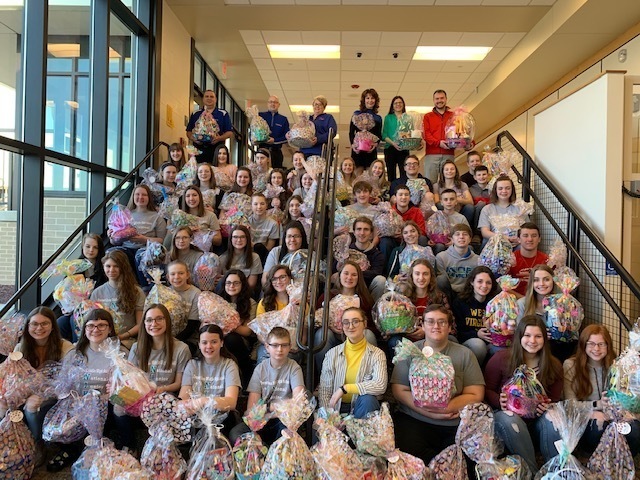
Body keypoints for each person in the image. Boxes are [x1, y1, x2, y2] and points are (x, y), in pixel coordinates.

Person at [391, 304, 485, 464]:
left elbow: (476, 394)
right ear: (423, 325)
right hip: (415, 418)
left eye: (442, 322)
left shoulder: (464, 354)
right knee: (410, 456)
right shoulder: (410, 352)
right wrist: (429, 412)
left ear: (449, 327)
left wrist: (446, 407)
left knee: (461, 460)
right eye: (431, 321)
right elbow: (399, 389)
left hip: (454, 422)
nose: (436, 326)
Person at [49, 309, 129, 470]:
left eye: (101, 325)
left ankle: (117, 445)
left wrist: (106, 396)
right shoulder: (75, 354)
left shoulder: (119, 354)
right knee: (59, 422)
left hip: (107, 405)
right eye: (91, 325)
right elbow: (63, 384)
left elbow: (126, 386)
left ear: (110, 329)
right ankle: (70, 450)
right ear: (84, 330)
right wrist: (74, 400)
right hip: (78, 404)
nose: (96, 329)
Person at [484, 315, 563, 474]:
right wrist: (500, 401)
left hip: (538, 423)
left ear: (544, 339)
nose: (532, 341)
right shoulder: (501, 358)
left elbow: (554, 399)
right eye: (527, 335)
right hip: (508, 419)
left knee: (553, 417)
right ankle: (533, 473)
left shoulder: (554, 365)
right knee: (509, 418)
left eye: (538, 336)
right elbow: (486, 390)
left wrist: (547, 406)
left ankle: (556, 471)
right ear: (519, 336)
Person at [563, 325, 640, 456]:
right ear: (583, 345)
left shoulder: (618, 366)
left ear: (608, 346)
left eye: (601, 344)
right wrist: (595, 407)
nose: (596, 349)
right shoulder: (571, 366)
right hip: (587, 419)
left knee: (634, 431)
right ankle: (596, 461)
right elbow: (569, 404)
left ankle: (624, 462)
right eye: (591, 344)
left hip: (615, 416)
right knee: (599, 428)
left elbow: (627, 395)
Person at [12, 307, 74, 466]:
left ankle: (38, 445)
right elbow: (14, 377)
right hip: (26, 392)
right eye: (34, 324)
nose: (39, 328)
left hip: (56, 394)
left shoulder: (65, 347)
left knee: (31, 407)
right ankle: (12, 445)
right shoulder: (20, 347)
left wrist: (44, 392)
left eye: (44, 323)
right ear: (27, 327)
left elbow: (68, 379)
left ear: (53, 326)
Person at [229, 327, 305, 446]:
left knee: (287, 436)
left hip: (283, 420)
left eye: (284, 345)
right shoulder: (260, 368)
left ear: (290, 347)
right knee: (236, 433)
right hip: (261, 420)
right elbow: (251, 409)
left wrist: (268, 409)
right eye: (275, 345)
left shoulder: (294, 368)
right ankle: (263, 451)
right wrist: (273, 407)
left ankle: (269, 453)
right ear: (267, 347)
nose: (279, 349)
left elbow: (298, 403)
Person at [319, 307, 387, 417]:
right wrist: (329, 417)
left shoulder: (377, 354)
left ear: (364, 323)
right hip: (337, 408)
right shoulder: (332, 354)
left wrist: (345, 388)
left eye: (355, 321)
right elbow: (325, 391)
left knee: (368, 399)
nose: (350, 326)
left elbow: (380, 385)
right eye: (346, 322)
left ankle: (360, 432)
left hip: (361, 407)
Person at [314, 260, 377, 372]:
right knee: (322, 334)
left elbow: (372, 325)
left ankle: (368, 376)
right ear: (339, 275)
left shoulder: (364, 299)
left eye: (354, 275)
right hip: (333, 338)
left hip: (356, 338)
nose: (349, 277)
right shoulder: (328, 295)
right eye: (346, 273)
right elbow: (317, 318)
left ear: (359, 278)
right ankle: (324, 376)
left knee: (369, 335)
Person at [179, 324, 241, 435]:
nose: (209, 346)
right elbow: (183, 398)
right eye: (204, 342)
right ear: (199, 344)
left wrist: (203, 401)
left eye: (214, 342)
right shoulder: (192, 364)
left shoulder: (229, 365)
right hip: (196, 415)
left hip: (223, 416)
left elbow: (231, 402)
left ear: (221, 343)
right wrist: (189, 406)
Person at [387, 259, 449, 353]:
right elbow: (391, 327)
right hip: (407, 340)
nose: (421, 278)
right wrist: (408, 331)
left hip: (432, 340)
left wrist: (426, 332)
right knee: (394, 341)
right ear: (411, 276)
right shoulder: (402, 297)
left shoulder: (440, 297)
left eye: (425, 274)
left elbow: (450, 324)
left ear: (431, 276)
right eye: (417, 273)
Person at [128, 303, 191, 394]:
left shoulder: (182, 349)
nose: (154, 324)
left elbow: (179, 383)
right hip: (141, 398)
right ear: (144, 323)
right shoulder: (136, 348)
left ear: (167, 321)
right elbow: (132, 379)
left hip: (167, 401)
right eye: (149, 320)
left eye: (159, 319)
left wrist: (163, 389)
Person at [57, 233, 107, 342]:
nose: (91, 250)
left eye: (95, 247)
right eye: (88, 246)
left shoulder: (104, 268)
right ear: (82, 247)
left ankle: (78, 349)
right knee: (60, 322)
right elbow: (65, 291)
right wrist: (65, 306)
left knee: (75, 320)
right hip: (75, 308)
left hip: (96, 308)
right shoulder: (74, 268)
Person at [90, 250, 145, 347]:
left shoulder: (137, 292)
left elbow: (140, 324)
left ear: (123, 268)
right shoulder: (97, 293)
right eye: (108, 266)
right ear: (103, 267)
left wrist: (122, 337)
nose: (111, 270)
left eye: (116, 266)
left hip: (128, 341)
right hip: (103, 341)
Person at [255, 265, 304, 364]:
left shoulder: (300, 303)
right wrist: (271, 346)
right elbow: (260, 332)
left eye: (282, 277)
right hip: (269, 346)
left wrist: (295, 346)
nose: (278, 281)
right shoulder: (264, 303)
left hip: (291, 347)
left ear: (290, 278)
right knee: (264, 359)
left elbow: (304, 330)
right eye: (274, 279)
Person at [216, 269, 257, 386]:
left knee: (231, 339)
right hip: (219, 337)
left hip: (240, 340)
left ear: (242, 285)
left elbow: (248, 331)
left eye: (236, 283)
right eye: (228, 283)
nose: (231, 286)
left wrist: (227, 324)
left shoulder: (251, 303)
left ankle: (243, 377)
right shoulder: (217, 302)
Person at [451, 266, 498, 365]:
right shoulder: (460, 302)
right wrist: (476, 334)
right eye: (480, 281)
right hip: (467, 342)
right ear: (472, 282)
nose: (484, 286)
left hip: (489, 342)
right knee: (478, 345)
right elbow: (457, 333)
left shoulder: (495, 303)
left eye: (488, 282)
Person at [343, 217, 386, 302]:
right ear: (354, 232)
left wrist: (355, 272)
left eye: (366, 229)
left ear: (371, 234)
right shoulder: (345, 250)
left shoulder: (377, 254)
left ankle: (372, 311)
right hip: (347, 285)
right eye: (359, 229)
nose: (362, 233)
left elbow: (376, 273)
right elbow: (334, 271)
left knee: (381, 280)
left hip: (367, 288)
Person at [186, 89, 234, 163]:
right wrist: (194, 139)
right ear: (203, 99)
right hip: (198, 149)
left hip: (216, 149)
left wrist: (219, 138)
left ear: (216, 99)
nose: (209, 98)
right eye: (207, 96)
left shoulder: (223, 114)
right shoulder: (196, 114)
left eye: (211, 97)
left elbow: (229, 132)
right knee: (200, 171)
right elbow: (188, 131)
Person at [478, 174, 526, 247]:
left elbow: (526, 229)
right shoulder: (487, 209)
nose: (504, 191)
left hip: (515, 243)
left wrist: (519, 239)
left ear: (512, 190)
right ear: (495, 190)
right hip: (494, 245)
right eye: (500, 188)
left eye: (507, 188)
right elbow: (485, 232)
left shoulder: (520, 208)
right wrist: (503, 238)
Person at [435, 223, 479, 297]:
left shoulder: (478, 259)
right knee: (441, 279)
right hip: (449, 294)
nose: (461, 237)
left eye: (465, 234)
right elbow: (443, 282)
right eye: (457, 234)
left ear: (470, 239)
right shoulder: (441, 257)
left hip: (468, 293)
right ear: (452, 239)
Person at [166, 260, 202, 347]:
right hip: (166, 337)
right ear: (167, 277)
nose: (177, 277)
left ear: (187, 275)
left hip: (188, 339)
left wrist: (172, 341)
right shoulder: (165, 293)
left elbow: (192, 325)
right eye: (173, 274)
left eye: (181, 273)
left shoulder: (196, 293)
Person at [422, 89, 455, 185]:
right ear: (433, 100)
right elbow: (426, 134)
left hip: (449, 153)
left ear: (446, 99)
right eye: (437, 98)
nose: (439, 100)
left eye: (442, 98)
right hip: (431, 154)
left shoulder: (453, 116)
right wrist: (439, 143)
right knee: (430, 183)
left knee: (448, 182)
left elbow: (458, 132)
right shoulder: (427, 116)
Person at [262, 221, 308, 288]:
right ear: (284, 238)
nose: (292, 239)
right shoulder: (276, 252)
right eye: (289, 236)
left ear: (302, 238)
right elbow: (265, 280)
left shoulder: (309, 255)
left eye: (296, 236)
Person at [219, 225, 263, 293]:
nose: (239, 240)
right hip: (227, 292)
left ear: (247, 239)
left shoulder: (255, 257)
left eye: (242, 237)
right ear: (231, 239)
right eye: (235, 237)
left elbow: (251, 284)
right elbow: (220, 283)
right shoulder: (222, 258)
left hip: (246, 293)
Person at [508, 223, 549, 296]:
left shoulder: (546, 260)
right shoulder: (510, 259)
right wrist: (524, 300)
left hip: (540, 300)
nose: (530, 239)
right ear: (518, 239)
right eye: (525, 236)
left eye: (534, 236)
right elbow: (505, 287)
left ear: (539, 239)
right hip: (515, 301)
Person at [349, 89, 383, 175]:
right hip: (358, 150)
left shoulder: (378, 118)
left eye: (372, 98)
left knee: (371, 176)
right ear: (364, 100)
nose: (370, 100)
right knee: (357, 175)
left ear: (376, 100)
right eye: (367, 98)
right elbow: (351, 132)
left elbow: (379, 135)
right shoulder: (356, 114)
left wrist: (375, 145)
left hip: (371, 151)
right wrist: (353, 145)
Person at [433, 160, 474, 227]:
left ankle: (465, 228)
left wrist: (456, 199)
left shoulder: (462, 185)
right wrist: (449, 200)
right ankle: (444, 227)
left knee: (470, 207)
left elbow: (470, 201)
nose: (449, 171)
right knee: (439, 205)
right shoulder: (436, 186)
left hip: (460, 211)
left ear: (456, 171)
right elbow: (437, 202)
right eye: (446, 169)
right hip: (444, 212)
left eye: (452, 169)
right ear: (442, 172)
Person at [429, 190, 470, 254]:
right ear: (441, 202)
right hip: (439, 245)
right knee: (440, 246)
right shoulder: (436, 216)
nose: (449, 202)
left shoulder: (461, 218)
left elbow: (467, 235)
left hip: (456, 245)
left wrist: (454, 242)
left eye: (452, 199)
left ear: (456, 201)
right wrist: (432, 239)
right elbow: (431, 231)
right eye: (445, 199)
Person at [382, 95, 413, 182]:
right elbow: (384, 135)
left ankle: (404, 191)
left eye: (400, 103)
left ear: (403, 104)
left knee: (404, 172)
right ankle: (392, 193)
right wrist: (393, 143)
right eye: (395, 103)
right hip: (390, 148)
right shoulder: (388, 118)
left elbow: (411, 133)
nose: (398, 105)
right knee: (391, 173)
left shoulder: (408, 118)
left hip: (404, 148)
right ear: (392, 105)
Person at [258, 95, 290, 169]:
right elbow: (253, 132)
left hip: (276, 152)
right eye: (271, 102)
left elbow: (287, 137)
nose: (273, 104)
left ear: (279, 105)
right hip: (262, 151)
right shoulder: (260, 116)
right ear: (267, 104)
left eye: (275, 102)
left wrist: (274, 141)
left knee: (276, 175)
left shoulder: (283, 119)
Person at [248, 192, 280, 263]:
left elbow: (269, 248)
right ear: (251, 206)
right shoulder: (246, 221)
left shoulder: (273, 224)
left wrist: (254, 245)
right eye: (255, 204)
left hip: (263, 255)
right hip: (248, 253)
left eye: (262, 204)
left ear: (266, 205)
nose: (259, 207)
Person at [469, 165, 491, 234]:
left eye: (484, 174)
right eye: (479, 175)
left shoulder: (493, 188)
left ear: (488, 175)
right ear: (475, 177)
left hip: (489, 213)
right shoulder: (470, 189)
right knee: (481, 204)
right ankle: (476, 232)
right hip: (476, 215)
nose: (481, 177)